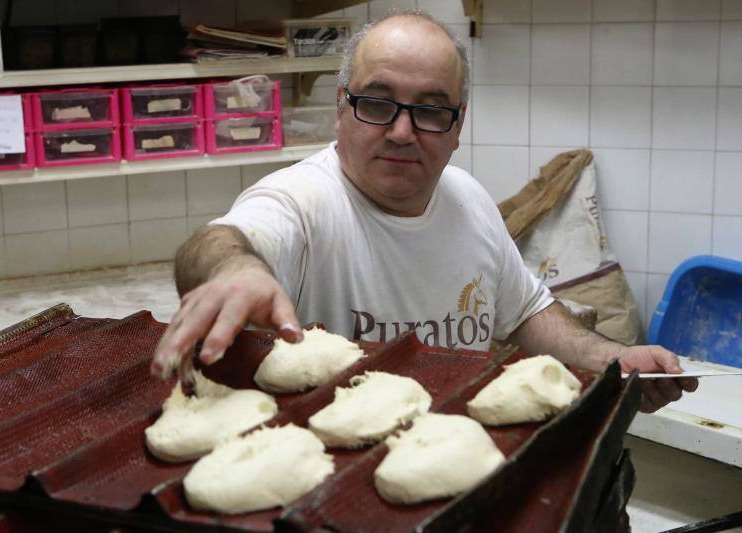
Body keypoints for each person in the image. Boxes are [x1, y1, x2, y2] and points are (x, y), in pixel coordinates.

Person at [151, 10, 697, 413]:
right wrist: (236, 269)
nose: (402, 131)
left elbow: (528, 314)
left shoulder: (468, 199)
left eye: (431, 110)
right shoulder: (305, 201)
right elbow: (220, 242)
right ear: (342, 109)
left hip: (455, 457)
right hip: (336, 481)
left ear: (458, 128)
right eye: (378, 102)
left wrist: (610, 360)